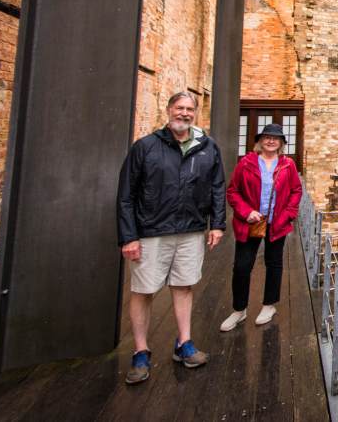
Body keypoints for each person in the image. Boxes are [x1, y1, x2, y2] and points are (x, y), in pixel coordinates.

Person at [117, 91, 226, 384]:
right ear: (169, 110)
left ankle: (184, 343)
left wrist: (217, 224)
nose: (184, 113)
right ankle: (141, 351)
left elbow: (217, 186)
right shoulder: (146, 147)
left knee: (184, 286)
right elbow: (126, 195)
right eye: (180, 108)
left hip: (191, 229)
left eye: (190, 109)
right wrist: (128, 237)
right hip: (152, 231)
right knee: (143, 290)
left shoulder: (207, 147)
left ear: (195, 113)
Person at [220, 123, 303, 331]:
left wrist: (288, 214)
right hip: (251, 222)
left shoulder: (288, 165)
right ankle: (239, 309)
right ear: (260, 141)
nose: (271, 141)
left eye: (276, 138)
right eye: (267, 137)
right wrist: (246, 212)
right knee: (242, 266)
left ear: (281, 143)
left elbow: (296, 190)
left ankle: (269, 305)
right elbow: (233, 192)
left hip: (277, 222)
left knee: (274, 263)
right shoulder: (246, 163)